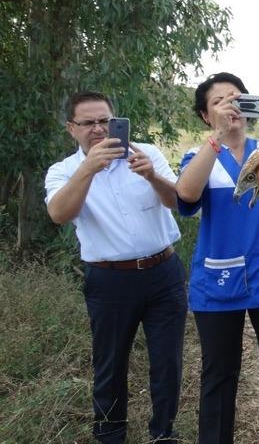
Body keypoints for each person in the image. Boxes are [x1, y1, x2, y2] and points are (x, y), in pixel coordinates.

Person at [175, 72, 259, 443]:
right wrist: (216, 139)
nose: (230, 105)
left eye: (236, 97)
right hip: (218, 286)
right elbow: (186, 194)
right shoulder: (198, 157)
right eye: (219, 101)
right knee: (219, 377)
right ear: (205, 115)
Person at [44, 91, 186, 443]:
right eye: (88, 123)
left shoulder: (146, 154)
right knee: (110, 364)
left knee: (167, 362)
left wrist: (153, 176)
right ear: (71, 129)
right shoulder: (63, 170)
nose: (98, 129)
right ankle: (110, 434)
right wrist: (88, 169)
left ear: (115, 121)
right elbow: (60, 213)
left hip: (163, 273)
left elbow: (178, 200)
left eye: (104, 120)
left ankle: (163, 433)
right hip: (109, 280)